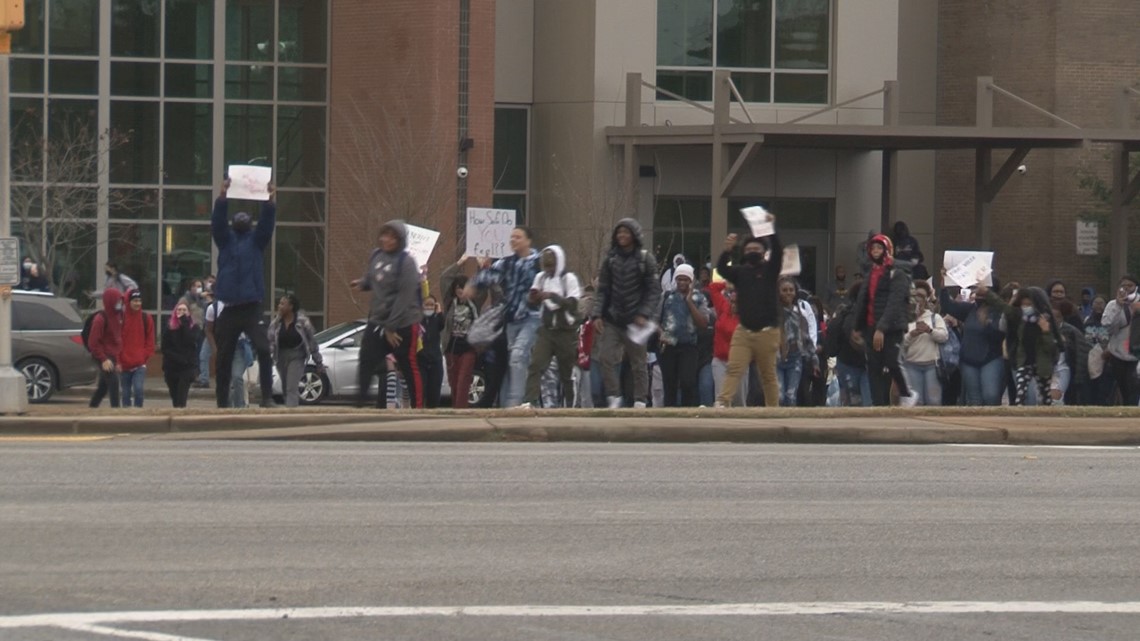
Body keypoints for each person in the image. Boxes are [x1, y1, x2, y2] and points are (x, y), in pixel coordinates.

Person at [211, 177, 277, 408]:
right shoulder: (225, 240)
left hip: (251, 307)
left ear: (250, 224)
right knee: (223, 357)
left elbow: (267, 223)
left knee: (263, 348)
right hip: (229, 308)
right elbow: (217, 222)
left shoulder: (257, 241)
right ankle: (221, 402)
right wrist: (222, 196)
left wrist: (269, 200)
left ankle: (267, 397)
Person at [465, 227, 542, 408]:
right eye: (512, 237)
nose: (513, 240)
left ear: (528, 241)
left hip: (532, 317)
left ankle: (517, 402)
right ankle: (520, 402)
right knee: (514, 361)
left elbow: (553, 276)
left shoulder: (538, 262)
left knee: (517, 355)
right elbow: (489, 274)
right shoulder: (507, 263)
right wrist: (473, 284)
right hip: (512, 319)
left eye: (518, 237)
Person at [351, 220, 424, 409]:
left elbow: (405, 296)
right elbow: (373, 278)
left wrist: (392, 326)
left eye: (392, 237)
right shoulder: (376, 255)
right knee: (366, 358)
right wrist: (363, 283)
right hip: (378, 319)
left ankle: (418, 407)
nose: (387, 240)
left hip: (403, 321)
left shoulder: (406, 262)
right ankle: (360, 402)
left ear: (399, 240)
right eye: (385, 235)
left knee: (407, 364)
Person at [591, 218, 662, 409]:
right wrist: (597, 314)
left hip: (635, 321)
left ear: (634, 235)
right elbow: (603, 290)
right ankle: (614, 395)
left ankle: (640, 399)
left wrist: (644, 314)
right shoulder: (610, 260)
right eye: (619, 232)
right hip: (613, 318)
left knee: (639, 363)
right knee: (605, 357)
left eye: (626, 232)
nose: (622, 236)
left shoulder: (645, 259)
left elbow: (654, 290)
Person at [714, 229, 784, 408]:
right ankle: (722, 401)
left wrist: (770, 232)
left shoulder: (770, 270)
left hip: (767, 332)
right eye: (748, 249)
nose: (752, 251)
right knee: (734, 368)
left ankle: (773, 409)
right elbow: (722, 269)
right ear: (744, 252)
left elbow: (778, 253)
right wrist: (727, 250)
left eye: (756, 248)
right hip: (744, 330)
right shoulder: (740, 272)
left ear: (763, 252)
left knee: (767, 375)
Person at [852, 234, 911, 406]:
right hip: (871, 327)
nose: (876, 251)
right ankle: (878, 405)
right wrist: (857, 326)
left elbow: (895, 302)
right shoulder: (871, 273)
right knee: (874, 368)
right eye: (873, 248)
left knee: (892, 361)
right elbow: (864, 300)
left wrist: (881, 328)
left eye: (879, 248)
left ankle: (907, 393)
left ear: (887, 250)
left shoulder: (897, 274)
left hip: (891, 328)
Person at [520, 245, 581, 409]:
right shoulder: (541, 278)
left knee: (566, 373)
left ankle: (571, 405)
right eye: (546, 266)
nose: (549, 269)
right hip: (547, 331)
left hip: (566, 333)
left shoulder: (568, 279)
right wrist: (533, 297)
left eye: (552, 266)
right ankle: (530, 401)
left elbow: (573, 304)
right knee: (536, 365)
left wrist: (552, 296)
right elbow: (531, 300)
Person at [657, 263, 711, 407]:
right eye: (679, 279)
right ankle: (669, 415)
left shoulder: (700, 298)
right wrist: (661, 333)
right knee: (669, 383)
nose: (682, 282)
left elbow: (704, 323)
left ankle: (688, 412)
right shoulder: (667, 296)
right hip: (669, 344)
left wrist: (689, 302)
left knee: (688, 382)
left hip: (689, 345)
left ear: (691, 280)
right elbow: (656, 319)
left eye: (685, 279)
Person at [1001, 286, 1062, 406]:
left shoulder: (1044, 320)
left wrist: (1045, 331)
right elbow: (1004, 323)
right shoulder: (1019, 318)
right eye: (1023, 304)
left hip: (1042, 364)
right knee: (1022, 394)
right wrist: (1012, 302)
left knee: (1044, 396)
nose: (1026, 308)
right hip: (1023, 362)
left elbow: (1051, 347)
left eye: (1029, 304)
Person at [267, 294, 324, 408]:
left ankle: (290, 414)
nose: (279, 306)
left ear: (291, 307)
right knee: (285, 387)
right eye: (279, 303)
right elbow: (270, 340)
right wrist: (268, 357)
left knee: (291, 387)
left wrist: (318, 361)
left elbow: (312, 341)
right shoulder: (276, 322)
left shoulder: (303, 322)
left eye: (283, 304)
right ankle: (289, 410)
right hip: (281, 357)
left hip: (297, 356)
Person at [899, 280, 949, 407]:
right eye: (915, 296)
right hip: (911, 365)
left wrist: (930, 330)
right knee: (916, 402)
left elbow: (944, 336)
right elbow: (899, 344)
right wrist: (912, 334)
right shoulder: (904, 318)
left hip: (932, 366)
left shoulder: (934, 317)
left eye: (921, 296)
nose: (918, 299)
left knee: (934, 401)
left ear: (926, 299)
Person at [440, 258, 480, 409]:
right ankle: (456, 409)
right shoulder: (449, 303)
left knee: (464, 379)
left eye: (463, 287)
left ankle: (461, 410)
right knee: (454, 381)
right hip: (451, 346)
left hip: (468, 346)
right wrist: (460, 263)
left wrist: (483, 268)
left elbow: (483, 285)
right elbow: (444, 278)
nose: (460, 291)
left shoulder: (474, 303)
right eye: (458, 288)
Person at [826, 282, 871, 407]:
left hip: (846, 363)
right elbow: (854, 338)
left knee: (851, 403)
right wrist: (868, 350)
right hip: (856, 365)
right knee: (867, 404)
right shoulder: (859, 315)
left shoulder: (843, 314)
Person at [205, 298, 255, 409]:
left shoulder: (241, 305)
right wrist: (214, 349)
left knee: (237, 377)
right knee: (224, 380)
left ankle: (239, 407)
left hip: (238, 347)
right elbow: (208, 330)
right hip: (222, 347)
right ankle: (225, 407)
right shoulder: (213, 308)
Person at [707, 277, 748, 406]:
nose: (734, 305)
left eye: (738, 302)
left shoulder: (748, 317)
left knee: (739, 400)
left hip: (739, 362)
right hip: (720, 360)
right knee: (721, 400)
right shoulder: (723, 307)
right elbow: (713, 288)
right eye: (732, 301)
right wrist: (727, 284)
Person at [1100, 274, 1140, 405]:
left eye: (1130, 286)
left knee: (1133, 386)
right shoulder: (1112, 304)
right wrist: (1118, 306)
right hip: (1118, 353)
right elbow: (1107, 325)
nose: (1127, 288)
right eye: (1124, 286)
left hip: (1136, 354)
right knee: (1123, 386)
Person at [776, 276, 816, 407]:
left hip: (795, 358)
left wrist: (814, 361)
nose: (788, 293)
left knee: (791, 397)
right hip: (776, 359)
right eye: (784, 290)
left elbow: (806, 339)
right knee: (779, 396)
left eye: (791, 290)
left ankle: (791, 425)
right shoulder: (772, 313)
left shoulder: (800, 313)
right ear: (778, 292)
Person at [87, 288, 125, 408]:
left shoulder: (120, 315)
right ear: (110, 301)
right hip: (102, 355)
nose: (120, 303)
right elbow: (93, 343)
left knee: (103, 387)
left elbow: (118, 340)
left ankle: (92, 408)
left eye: (121, 300)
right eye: (117, 300)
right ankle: (116, 412)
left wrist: (118, 360)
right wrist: (103, 359)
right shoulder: (100, 319)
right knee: (113, 381)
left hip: (113, 355)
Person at [118, 289, 155, 408]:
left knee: (138, 390)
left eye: (139, 300)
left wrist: (143, 356)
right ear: (128, 302)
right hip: (124, 364)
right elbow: (116, 342)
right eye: (134, 301)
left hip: (139, 364)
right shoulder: (121, 319)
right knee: (125, 394)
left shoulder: (146, 318)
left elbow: (150, 341)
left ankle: (139, 415)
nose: (137, 303)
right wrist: (118, 361)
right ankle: (126, 418)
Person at [162, 301, 200, 408]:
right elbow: (164, 348)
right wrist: (176, 357)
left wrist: (184, 323)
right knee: (175, 398)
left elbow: (191, 340)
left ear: (188, 313)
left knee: (181, 398)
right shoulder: (169, 328)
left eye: (184, 310)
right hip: (171, 367)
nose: (181, 312)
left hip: (186, 367)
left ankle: (181, 420)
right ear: (175, 312)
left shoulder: (194, 328)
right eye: (179, 310)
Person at [1082, 294, 1113, 405]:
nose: (1099, 306)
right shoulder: (1086, 321)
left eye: (1101, 303)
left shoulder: (1110, 322)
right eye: (1096, 303)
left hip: (1106, 360)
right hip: (1089, 359)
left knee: (1103, 390)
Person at [418, 295, 445, 409]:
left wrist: (439, 312)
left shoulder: (437, 319)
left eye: (432, 305)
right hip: (421, 359)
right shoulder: (418, 320)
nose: (429, 307)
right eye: (427, 304)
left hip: (435, 359)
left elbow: (442, 325)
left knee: (434, 391)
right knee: (421, 390)